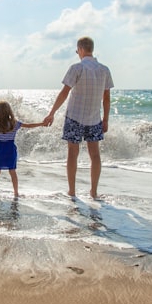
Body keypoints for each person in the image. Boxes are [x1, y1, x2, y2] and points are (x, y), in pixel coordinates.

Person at [42, 36, 114, 199]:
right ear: (92, 49)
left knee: (72, 154)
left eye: (77, 51)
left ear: (81, 49)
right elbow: (107, 98)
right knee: (95, 155)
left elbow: (64, 93)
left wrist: (51, 113)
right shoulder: (104, 69)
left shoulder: (76, 68)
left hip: (74, 116)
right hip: (95, 118)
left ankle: (72, 191)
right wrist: (106, 119)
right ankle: (93, 192)